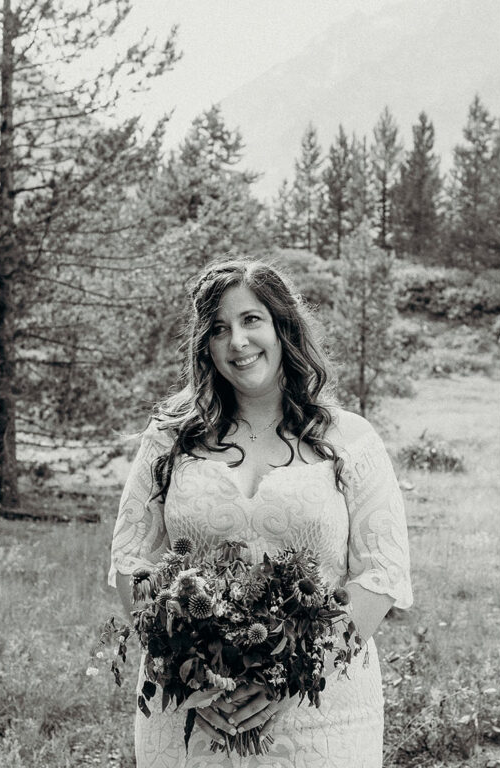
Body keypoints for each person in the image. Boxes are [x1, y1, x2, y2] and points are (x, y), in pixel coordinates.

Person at [108, 260, 412, 767]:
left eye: (252, 320)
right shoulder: (168, 439)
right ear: (205, 345)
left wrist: (290, 680)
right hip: (192, 709)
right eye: (220, 329)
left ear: (282, 326)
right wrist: (189, 674)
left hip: (322, 709)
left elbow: (381, 572)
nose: (238, 343)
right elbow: (130, 557)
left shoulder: (349, 439)